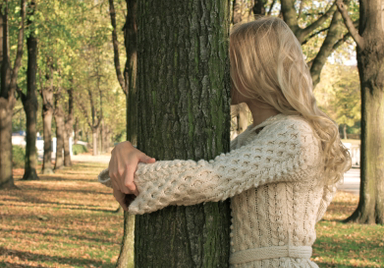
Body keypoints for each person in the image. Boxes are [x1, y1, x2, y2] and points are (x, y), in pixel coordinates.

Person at [98, 17, 351, 267]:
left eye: (230, 61)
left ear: (257, 68)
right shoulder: (252, 138)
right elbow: (201, 173)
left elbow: (211, 179)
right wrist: (123, 158)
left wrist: (129, 175)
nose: (220, 69)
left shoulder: (293, 134)